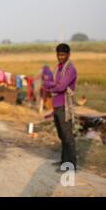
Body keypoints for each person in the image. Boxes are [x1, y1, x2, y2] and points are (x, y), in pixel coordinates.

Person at [43, 43, 78, 171]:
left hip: (65, 105)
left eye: (63, 55)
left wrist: (51, 85)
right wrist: (53, 84)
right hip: (56, 104)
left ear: (68, 55)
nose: (60, 57)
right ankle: (64, 161)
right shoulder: (58, 68)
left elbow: (61, 86)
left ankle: (71, 164)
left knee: (68, 136)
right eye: (58, 55)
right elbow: (49, 83)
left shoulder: (70, 69)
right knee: (62, 135)